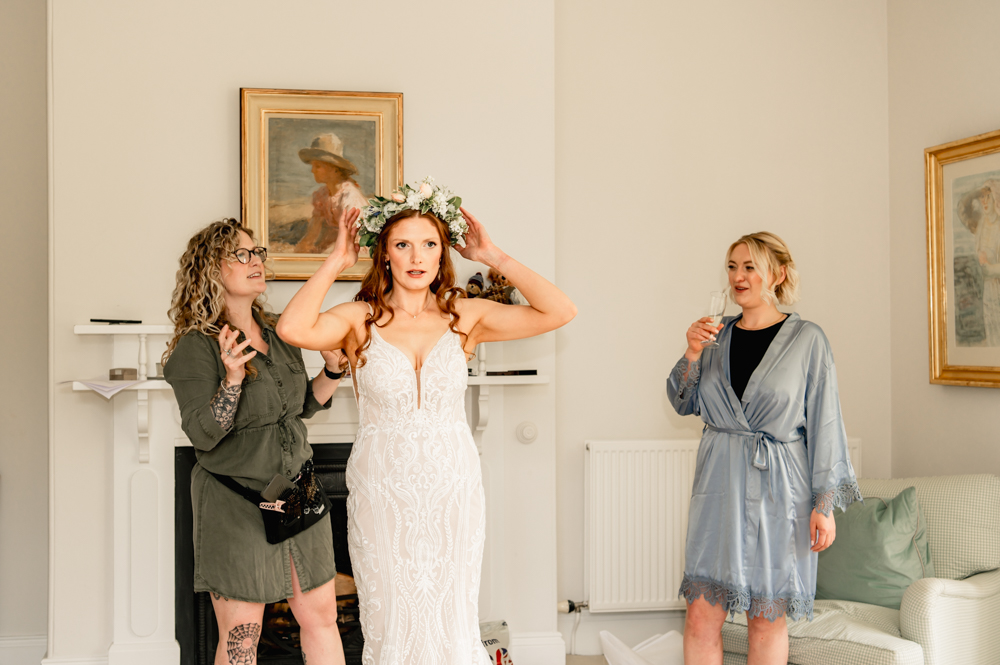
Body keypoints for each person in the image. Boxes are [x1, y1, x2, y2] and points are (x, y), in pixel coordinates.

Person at [277, 179, 577, 664]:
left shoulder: (466, 317)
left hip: (451, 486)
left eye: (429, 244)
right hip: (383, 491)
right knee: (390, 612)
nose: (416, 256)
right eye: (402, 244)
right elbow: (292, 329)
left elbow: (561, 310)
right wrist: (335, 261)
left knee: (452, 610)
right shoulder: (358, 319)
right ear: (385, 256)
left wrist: (494, 255)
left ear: (442, 255)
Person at [667, 232, 860, 665]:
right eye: (732, 266)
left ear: (777, 273)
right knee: (700, 614)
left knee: (765, 617)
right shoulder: (715, 337)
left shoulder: (808, 339)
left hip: (780, 491)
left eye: (749, 266)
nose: (738, 276)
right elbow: (683, 402)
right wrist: (692, 352)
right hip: (719, 486)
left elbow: (827, 422)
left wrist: (824, 504)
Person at [163, 219, 348, 665]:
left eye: (257, 252)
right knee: (242, 635)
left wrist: (334, 371)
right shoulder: (196, 346)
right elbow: (204, 434)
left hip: (298, 494)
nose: (256, 261)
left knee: (321, 616)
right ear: (210, 269)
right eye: (241, 254)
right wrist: (230, 378)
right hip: (236, 503)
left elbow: (300, 407)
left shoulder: (280, 332)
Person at [294, 133, 369, 254]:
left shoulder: (350, 196)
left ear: (334, 168)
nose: (312, 170)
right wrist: (304, 245)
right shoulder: (322, 195)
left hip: (356, 244)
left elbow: (353, 236)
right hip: (337, 241)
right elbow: (313, 230)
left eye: (317, 166)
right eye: (313, 166)